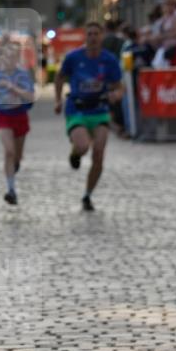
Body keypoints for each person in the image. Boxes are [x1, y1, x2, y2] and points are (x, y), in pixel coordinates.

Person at [54, 21, 123, 212]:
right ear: (85, 37)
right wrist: (57, 100)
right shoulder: (73, 57)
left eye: (96, 34)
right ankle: (75, 153)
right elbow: (59, 77)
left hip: (100, 110)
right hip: (77, 110)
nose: (93, 37)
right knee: (83, 146)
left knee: (99, 153)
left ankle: (88, 195)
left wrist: (116, 95)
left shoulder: (109, 60)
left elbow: (119, 86)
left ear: (102, 37)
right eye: (89, 34)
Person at [0, 40, 35, 205]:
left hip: (21, 116)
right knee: (9, 151)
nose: (9, 57)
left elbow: (30, 97)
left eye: (13, 54)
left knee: (17, 156)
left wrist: (12, 87)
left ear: (18, 57)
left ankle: (16, 163)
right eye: (7, 53)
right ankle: (11, 190)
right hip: (4, 117)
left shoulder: (23, 74)